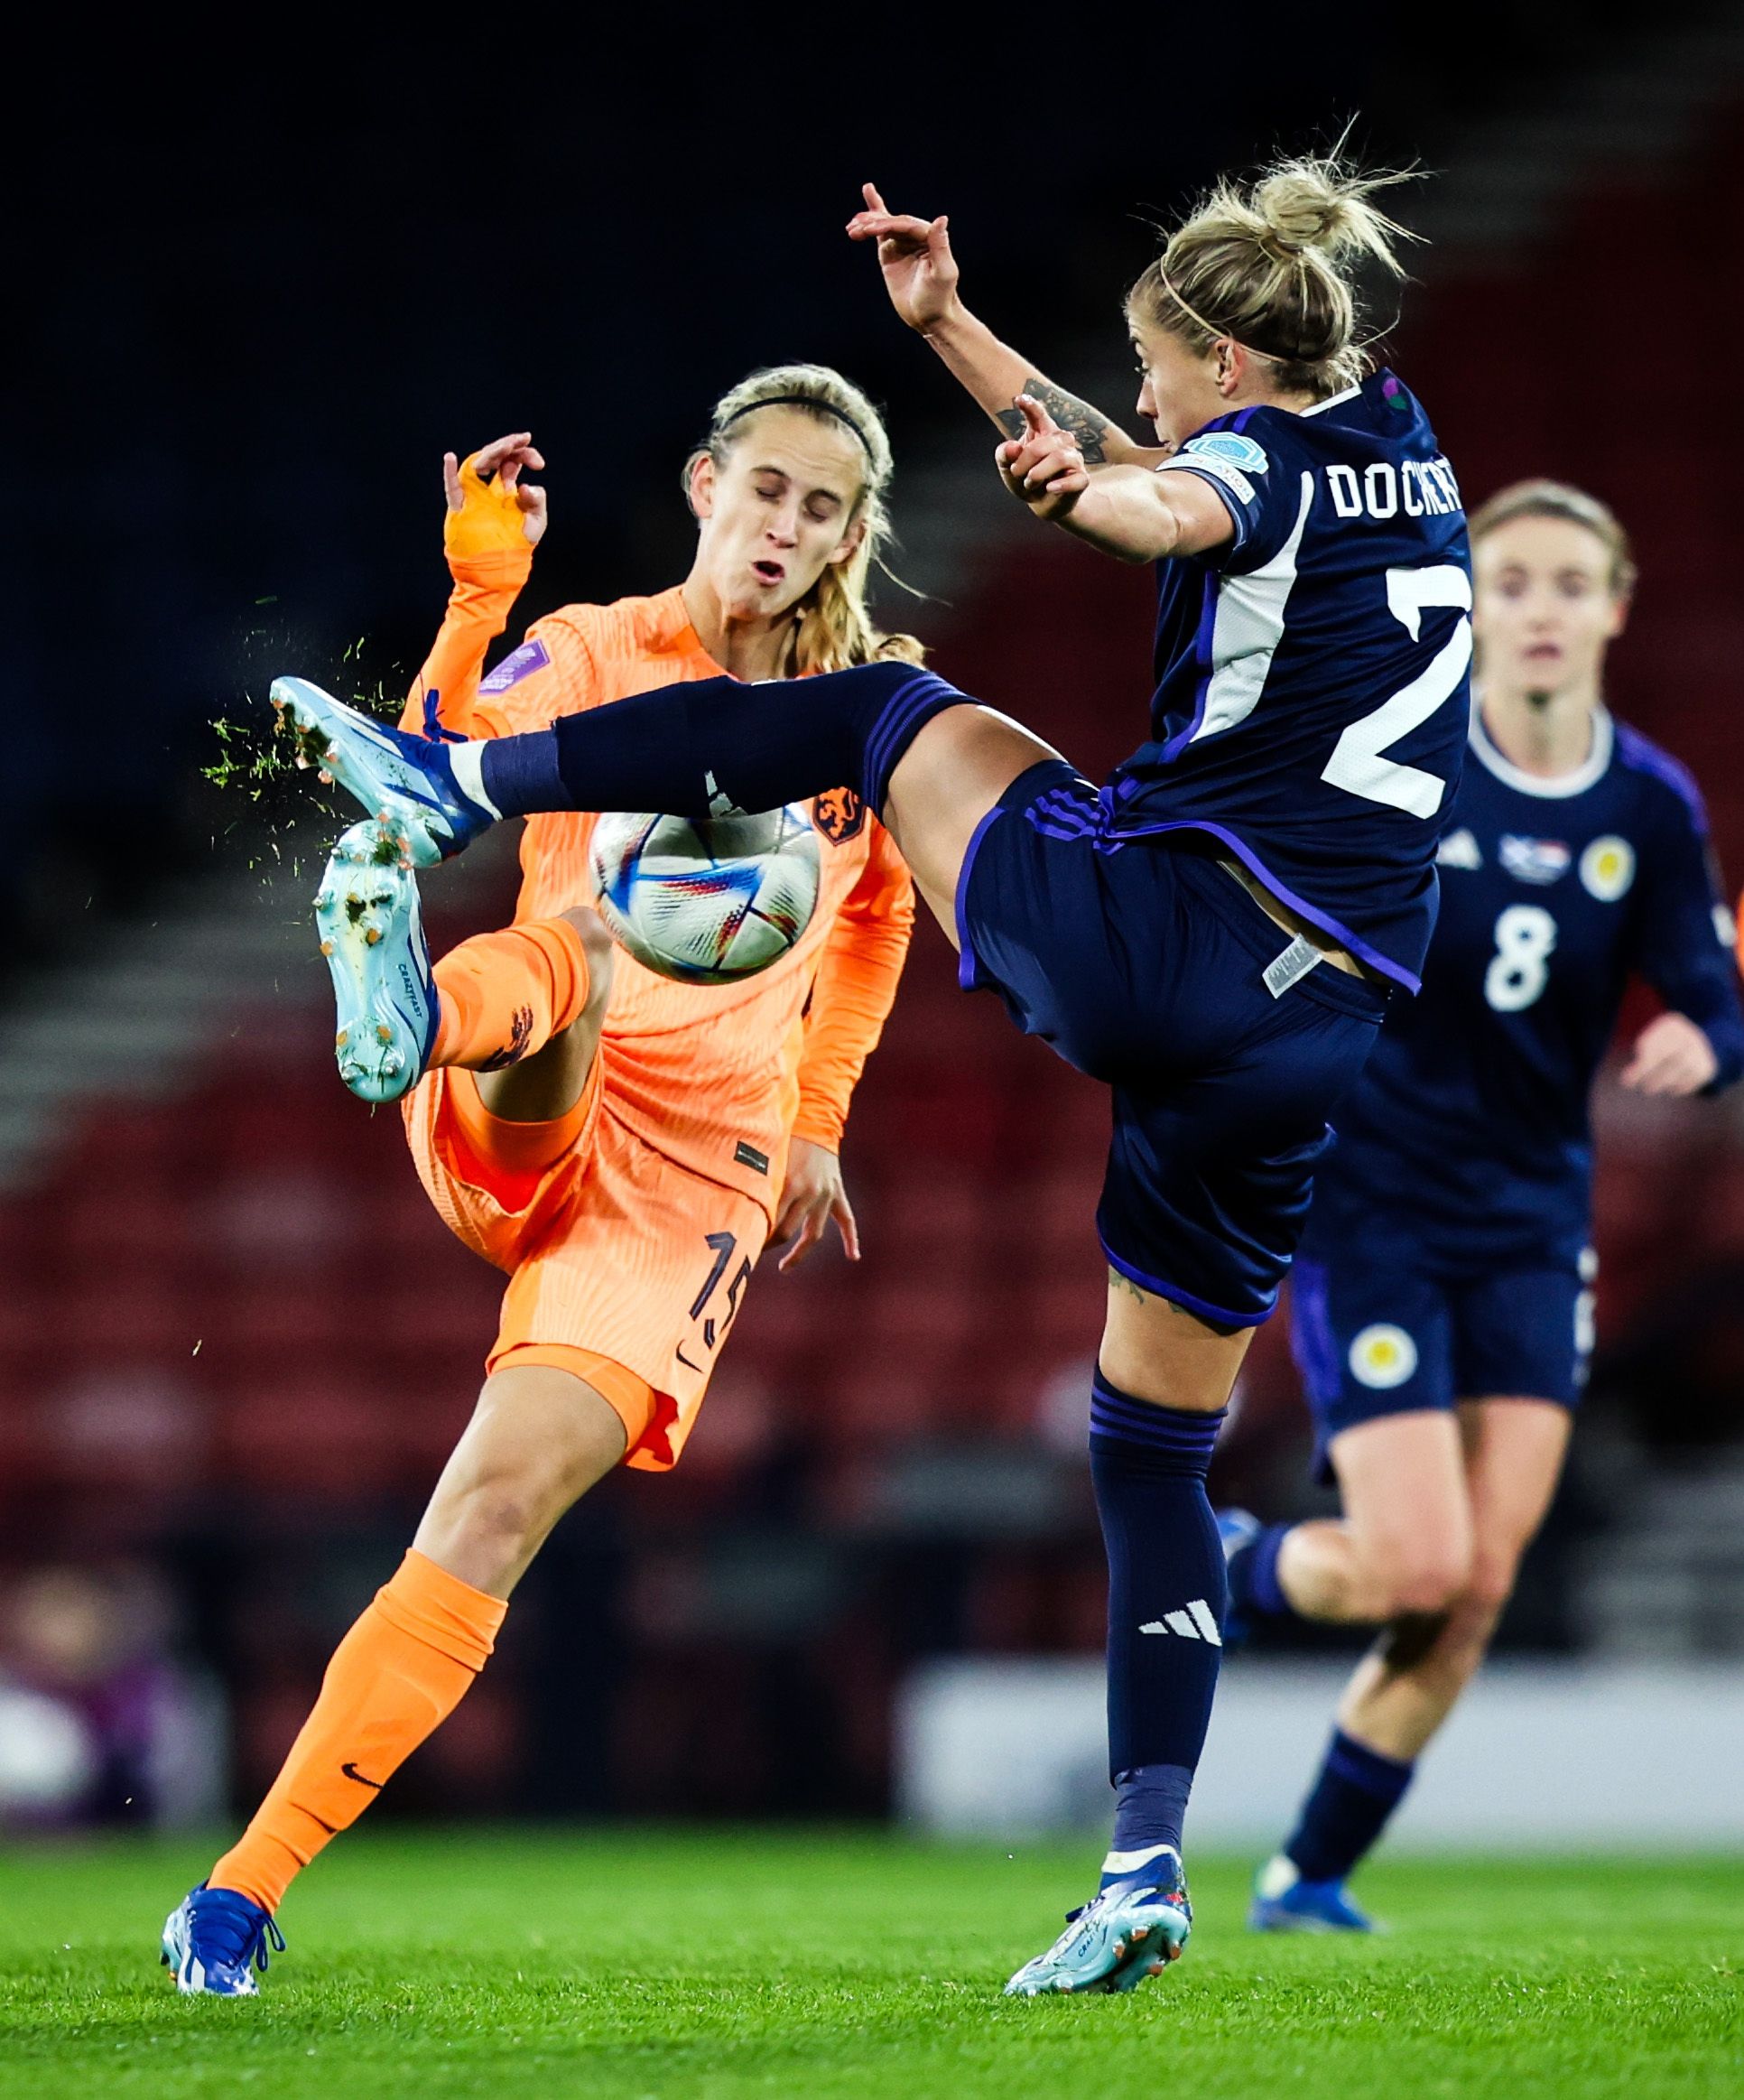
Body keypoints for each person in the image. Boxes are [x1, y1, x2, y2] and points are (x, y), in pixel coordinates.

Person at [271, 151, 1471, 1996]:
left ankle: (455, 796)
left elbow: (1165, 499)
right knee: (1152, 1440)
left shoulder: (1237, 467)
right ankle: (1143, 1862)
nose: (1137, 394)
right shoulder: (1394, 434)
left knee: (879, 708)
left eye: (1155, 367)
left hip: (1173, 941)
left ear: (1228, 366)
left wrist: (1092, 500)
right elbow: (1166, 464)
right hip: (1316, 1033)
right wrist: (958, 335)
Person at [162, 365, 919, 1995]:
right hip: (523, 1077)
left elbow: (876, 916)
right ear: (706, 487)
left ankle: (238, 1893)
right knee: (593, 928)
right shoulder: (590, 648)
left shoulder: (869, 713)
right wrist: (478, 589)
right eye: (763, 488)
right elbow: (428, 768)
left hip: (690, 1180)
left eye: (821, 506)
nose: (784, 526)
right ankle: (408, 1017)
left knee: (491, 1511)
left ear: (850, 534)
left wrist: (820, 1116)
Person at [1210, 479, 1744, 1928]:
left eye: (1572, 583)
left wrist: (1707, 1045)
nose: (1542, 610)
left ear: (1616, 608)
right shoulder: (1407, 762)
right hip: (1376, 1208)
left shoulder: (1650, 805)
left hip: (1533, 1229)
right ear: (1473, 609)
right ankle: (1222, 1563)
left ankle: (1308, 1874)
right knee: (1416, 1562)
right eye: (1512, 583)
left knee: (1477, 1583)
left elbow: (1712, 994)